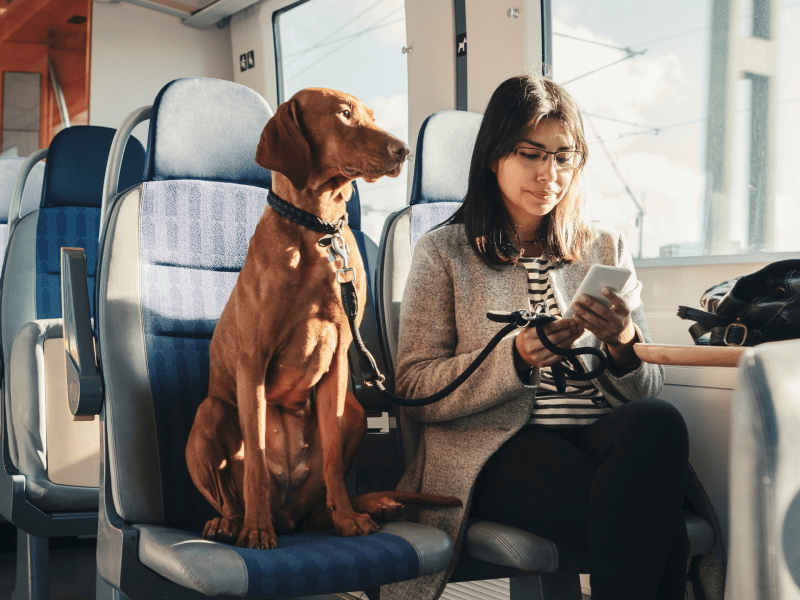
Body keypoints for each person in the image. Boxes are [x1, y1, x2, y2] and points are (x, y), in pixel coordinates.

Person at [380, 75, 722, 600]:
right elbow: (416, 390)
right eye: (531, 154)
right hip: (497, 449)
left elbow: (646, 387)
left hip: (593, 443)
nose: (549, 174)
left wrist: (621, 341)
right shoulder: (442, 252)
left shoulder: (604, 244)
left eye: (564, 157)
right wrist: (514, 358)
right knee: (655, 524)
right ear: (494, 155)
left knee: (659, 421)